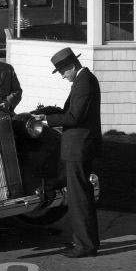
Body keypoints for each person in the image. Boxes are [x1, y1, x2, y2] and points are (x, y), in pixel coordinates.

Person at [32, 47, 102, 258]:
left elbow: (74, 118)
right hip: (77, 147)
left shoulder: (85, 83)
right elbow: (68, 111)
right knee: (80, 196)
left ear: (72, 66)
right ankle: (83, 241)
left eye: (63, 71)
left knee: (80, 198)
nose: (62, 76)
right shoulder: (82, 81)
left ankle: (85, 246)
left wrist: (45, 121)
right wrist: (47, 111)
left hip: (78, 148)